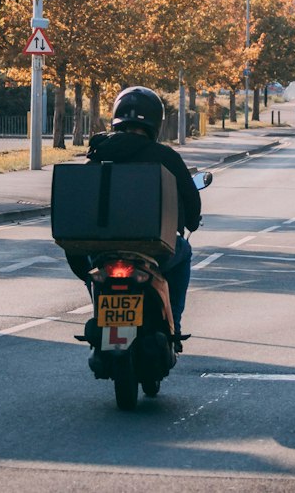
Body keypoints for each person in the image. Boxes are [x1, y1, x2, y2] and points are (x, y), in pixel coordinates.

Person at [68, 85, 201, 347]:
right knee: (184, 254)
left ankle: (101, 308)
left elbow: (82, 198)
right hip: (152, 247)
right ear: (156, 122)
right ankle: (173, 324)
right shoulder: (166, 157)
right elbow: (190, 197)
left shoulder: (97, 153)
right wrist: (192, 221)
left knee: (92, 273)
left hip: (101, 247)